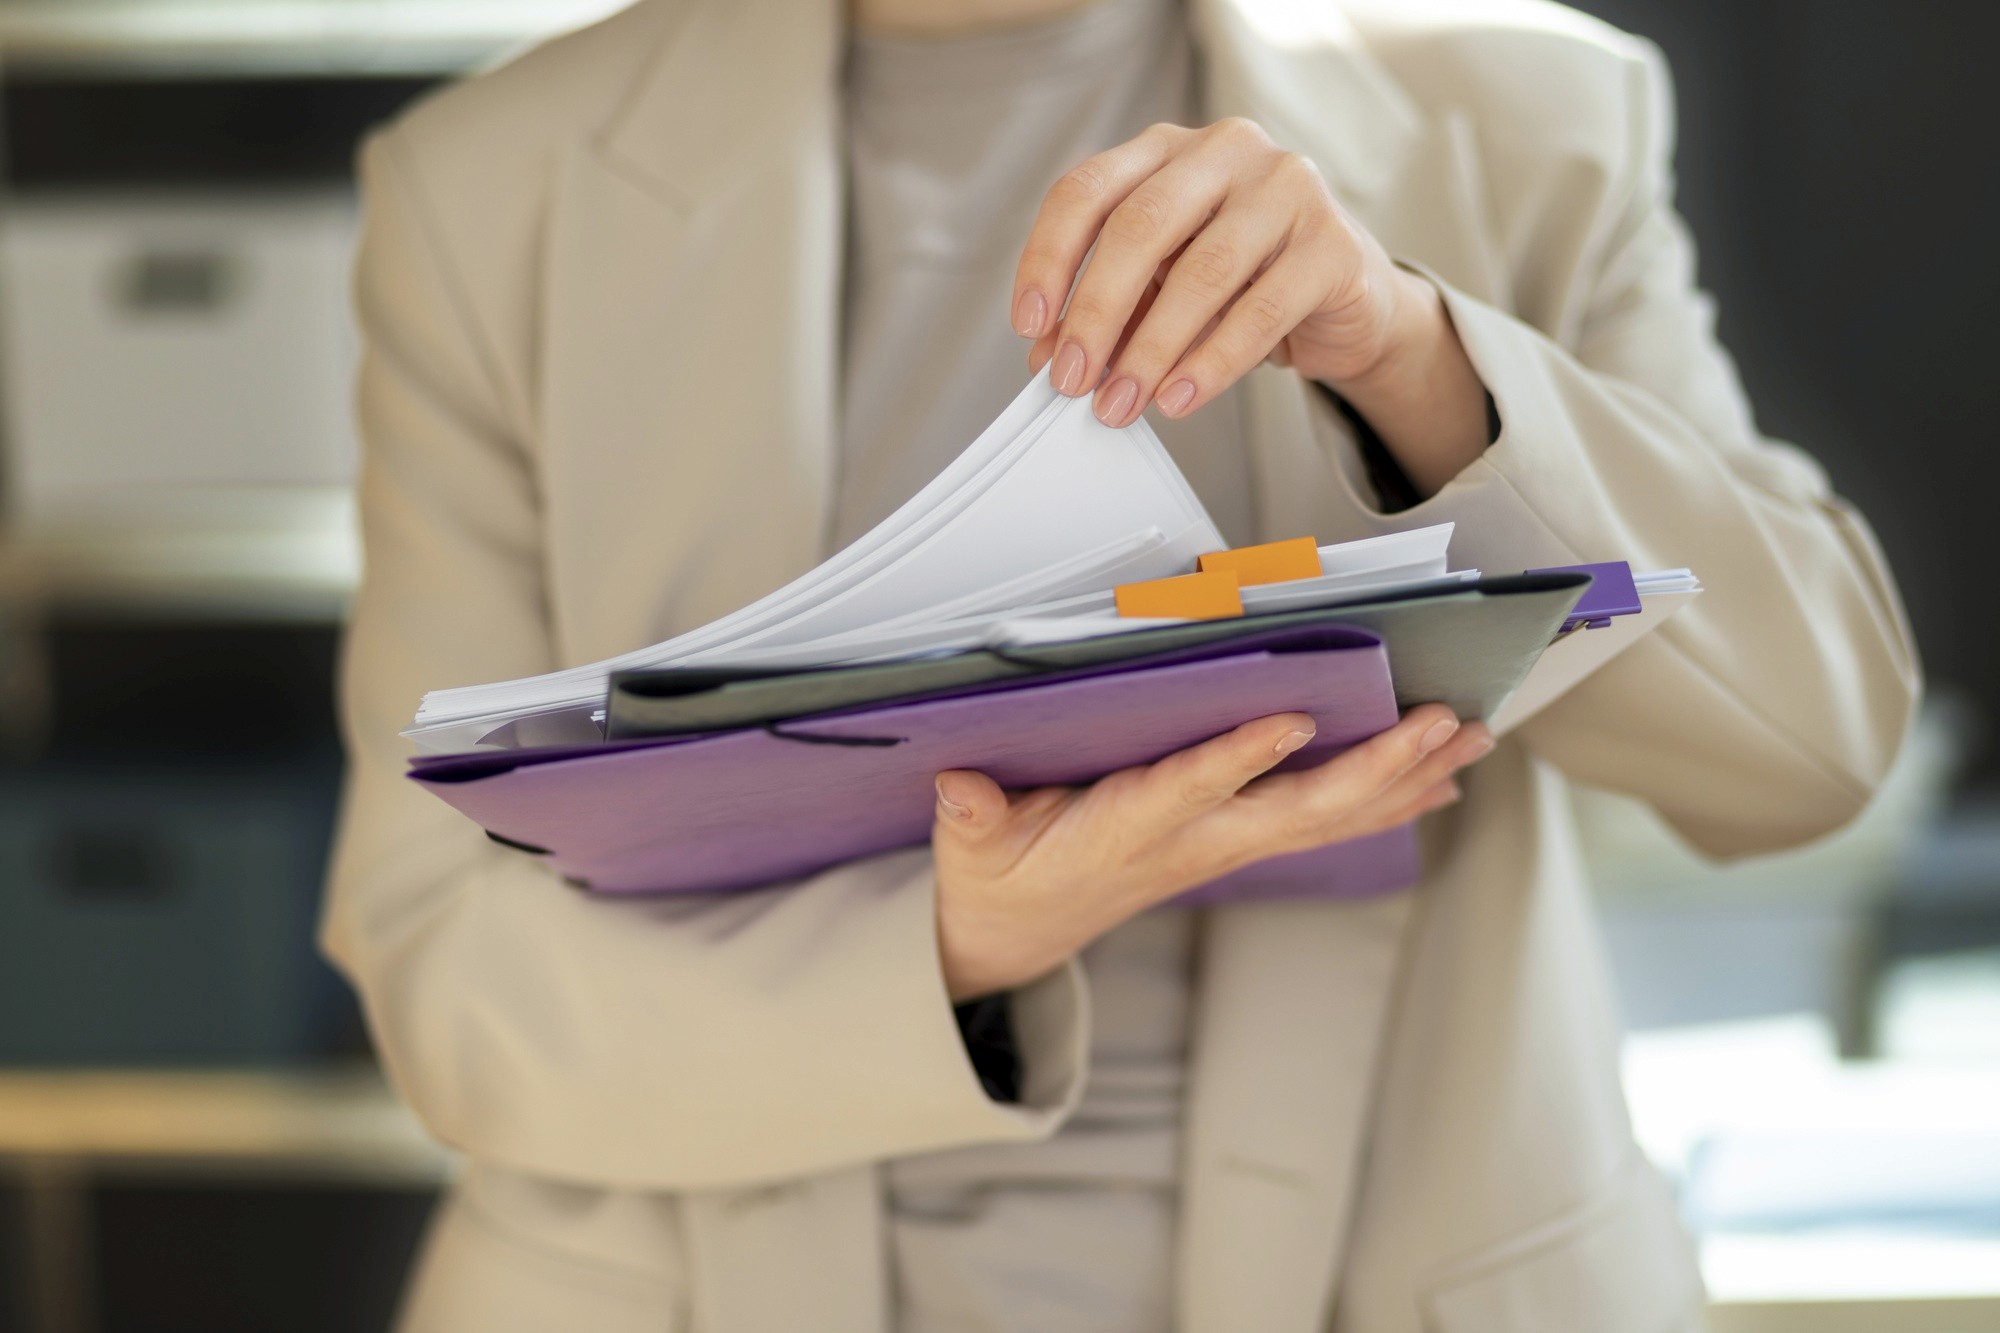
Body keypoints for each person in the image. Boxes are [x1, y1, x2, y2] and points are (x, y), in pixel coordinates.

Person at [324, 0, 1920, 1327]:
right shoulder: (490, 193)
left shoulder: (1526, 110)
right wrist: (959, 935)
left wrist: (1408, 355)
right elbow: (448, 979)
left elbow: (1812, 753)